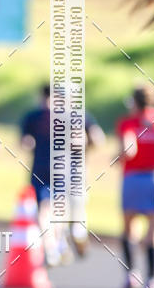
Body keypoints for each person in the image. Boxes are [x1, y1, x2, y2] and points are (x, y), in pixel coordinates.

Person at [21, 84, 104, 264]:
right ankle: (53, 248)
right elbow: (25, 139)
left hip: (70, 174)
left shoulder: (79, 117)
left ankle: (70, 240)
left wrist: (83, 140)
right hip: (44, 170)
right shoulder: (37, 117)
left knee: (69, 214)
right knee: (46, 209)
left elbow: (97, 139)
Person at [116, 84, 154, 288]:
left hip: (133, 178)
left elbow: (128, 150)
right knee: (152, 234)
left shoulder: (129, 122)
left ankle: (131, 276)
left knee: (129, 229)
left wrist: (116, 157)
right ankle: (152, 282)